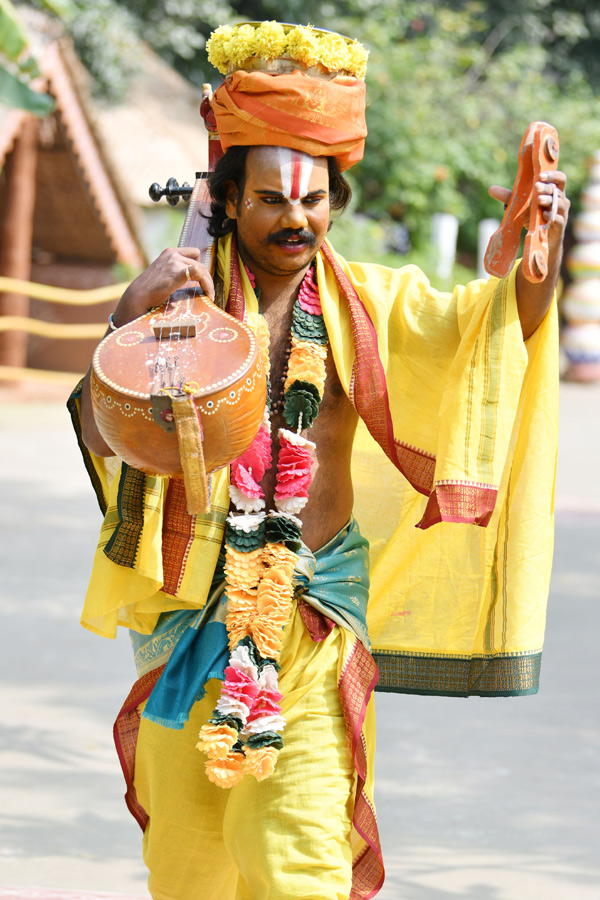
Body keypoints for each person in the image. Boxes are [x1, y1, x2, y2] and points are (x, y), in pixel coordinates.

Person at [70, 21, 568, 900]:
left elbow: (491, 336)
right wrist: (123, 322)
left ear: (335, 198)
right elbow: (105, 435)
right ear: (227, 200)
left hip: (312, 620)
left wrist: (537, 254)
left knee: (298, 866)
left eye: (314, 199)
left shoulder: (368, 303)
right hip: (189, 620)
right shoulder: (175, 302)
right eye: (271, 200)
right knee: (188, 870)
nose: (297, 218)